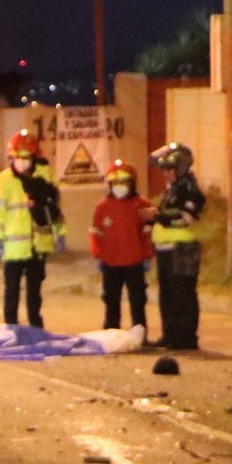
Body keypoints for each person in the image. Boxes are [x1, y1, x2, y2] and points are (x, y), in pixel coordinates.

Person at [0, 129, 63, 327]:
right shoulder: (4, 180)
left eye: (25, 157)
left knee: (34, 290)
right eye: (16, 157)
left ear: (34, 157)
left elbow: (54, 208)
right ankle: (11, 325)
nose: (20, 161)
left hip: (38, 245)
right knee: (11, 289)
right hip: (13, 248)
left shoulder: (45, 176)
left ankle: (35, 324)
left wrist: (60, 233)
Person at [149, 141, 206, 350]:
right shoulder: (173, 189)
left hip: (182, 248)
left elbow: (188, 217)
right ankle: (170, 334)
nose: (165, 173)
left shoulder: (189, 188)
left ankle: (186, 337)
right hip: (166, 248)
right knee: (167, 295)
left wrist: (158, 216)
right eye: (163, 169)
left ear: (180, 167)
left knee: (183, 294)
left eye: (169, 169)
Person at [88, 157, 154, 335]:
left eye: (123, 182)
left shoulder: (141, 204)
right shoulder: (102, 207)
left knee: (137, 299)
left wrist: (147, 255)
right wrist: (97, 253)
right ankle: (111, 332)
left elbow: (146, 233)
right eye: (115, 183)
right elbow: (95, 232)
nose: (119, 187)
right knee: (111, 299)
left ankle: (139, 333)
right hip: (110, 262)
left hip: (134, 261)